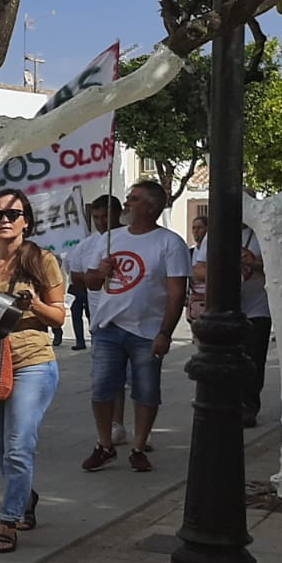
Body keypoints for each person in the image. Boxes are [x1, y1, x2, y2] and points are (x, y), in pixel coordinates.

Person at [0, 188, 67, 553]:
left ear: (26, 220)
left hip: (32, 360)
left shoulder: (41, 259)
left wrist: (34, 303)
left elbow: (58, 315)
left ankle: (8, 522)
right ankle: (26, 496)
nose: (5, 220)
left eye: (13, 214)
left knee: (19, 447)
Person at [78, 180, 190, 473]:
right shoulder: (111, 239)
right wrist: (99, 272)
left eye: (134, 199)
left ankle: (139, 447)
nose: (126, 203)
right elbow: (88, 281)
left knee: (146, 392)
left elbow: (177, 292)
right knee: (101, 389)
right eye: (129, 198)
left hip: (147, 332)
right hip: (108, 328)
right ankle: (105, 445)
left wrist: (165, 332)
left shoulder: (170, 242)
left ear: (151, 207)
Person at [193, 222, 270, 427]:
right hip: (223, 308)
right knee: (221, 356)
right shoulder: (216, 233)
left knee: (254, 357)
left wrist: (252, 265)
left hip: (257, 307)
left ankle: (248, 405)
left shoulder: (263, 232)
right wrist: (224, 273)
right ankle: (225, 400)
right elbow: (198, 268)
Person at [70, 196, 131, 443]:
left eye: (105, 216)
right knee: (108, 378)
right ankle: (115, 425)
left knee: (139, 380)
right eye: (95, 217)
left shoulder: (131, 239)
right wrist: (95, 275)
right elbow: (77, 280)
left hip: (134, 319)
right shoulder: (85, 247)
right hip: (102, 321)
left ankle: (141, 431)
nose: (100, 221)